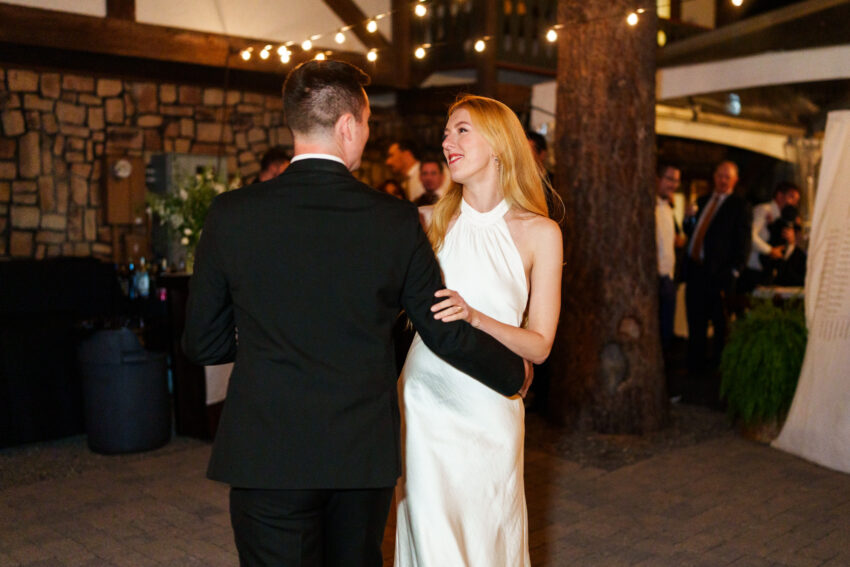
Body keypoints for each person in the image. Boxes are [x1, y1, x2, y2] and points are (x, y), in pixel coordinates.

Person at [182, 60, 526, 567]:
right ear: (347, 126)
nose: (367, 135)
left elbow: (203, 344)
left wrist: (266, 337)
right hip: (358, 455)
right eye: (366, 124)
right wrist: (513, 373)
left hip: (266, 452)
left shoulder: (231, 214)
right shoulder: (391, 219)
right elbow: (441, 329)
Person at [395, 95, 563, 566]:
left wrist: (475, 317)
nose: (447, 141)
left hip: (491, 403)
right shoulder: (427, 222)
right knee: (432, 538)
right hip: (425, 399)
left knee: (490, 531)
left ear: (498, 145)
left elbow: (541, 344)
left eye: (461, 129)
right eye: (446, 132)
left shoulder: (540, 232)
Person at [683, 160, 751, 378]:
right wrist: (688, 219)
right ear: (714, 177)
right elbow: (692, 232)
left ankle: (718, 373)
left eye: (727, 177)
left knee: (720, 327)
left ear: (734, 180)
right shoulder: (702, 201)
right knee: (695, 322)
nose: (723, 180)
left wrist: (734, 271)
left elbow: (743, 242)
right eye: (720, 175)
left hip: (718, 274)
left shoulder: (739, 206)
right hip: (695, 271)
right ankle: (694, 369)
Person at [741, 181, 801, 292]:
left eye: (796, 201)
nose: (794, 203)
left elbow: (784, 255)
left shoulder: (788, 220)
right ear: (779, 195)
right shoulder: (764, 210)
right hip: (753, 271)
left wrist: (791, 242)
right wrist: (770, 251)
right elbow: (749, 236)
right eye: (791, 197)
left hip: (770, 273)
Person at [655, 162, 682, 351]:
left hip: (668, 277)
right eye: (669, 179)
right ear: (657, 178)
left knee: (666, 336)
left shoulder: (668, 208)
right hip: (654, 277)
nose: (673, 185)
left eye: (676, 181)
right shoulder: (650, 206)